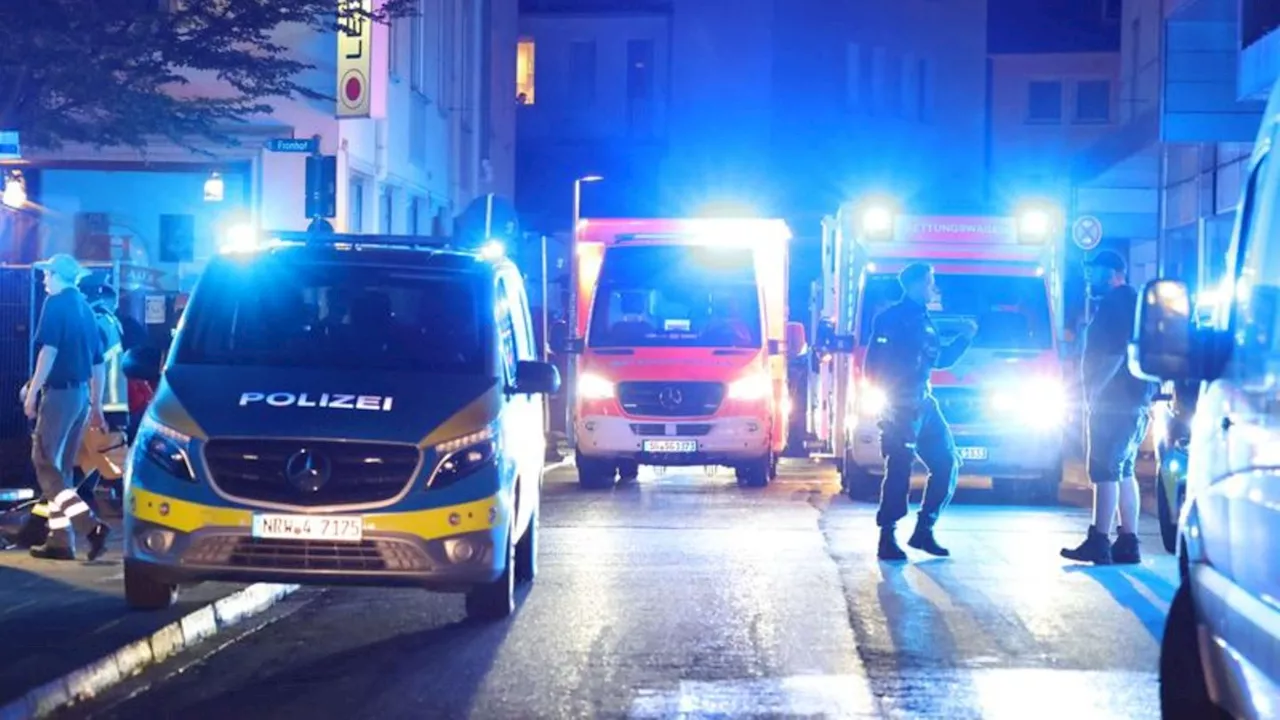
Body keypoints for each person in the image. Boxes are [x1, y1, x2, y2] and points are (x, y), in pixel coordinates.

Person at [863, 263, 977, 560]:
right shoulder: (891, 320)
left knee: (947, 461)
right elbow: (872, 366)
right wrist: (886, 404)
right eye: (929, 282)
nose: (933, 287)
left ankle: (924, 530)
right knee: (899, 468)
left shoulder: (925, 319)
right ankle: (887, 535)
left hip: (924, 403)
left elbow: (939, 359)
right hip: (900, 406)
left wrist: (964, 338)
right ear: (914, 285)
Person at [1062, 249, 1156, 565]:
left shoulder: (1116, 305)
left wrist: (1091, 395)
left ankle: (1099, 541)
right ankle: (1128, 542)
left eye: (1096, 270)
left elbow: (1115, 355)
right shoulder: (1135, 302)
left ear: (1114, 272)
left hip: (1114, 403)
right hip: (1136, 402)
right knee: (1123, 470)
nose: (1090, 275)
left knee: (1103, 470)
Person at [22, 253, 111, 561]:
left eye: (48, 274)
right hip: (81, 397)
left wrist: (32, 393)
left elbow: (48, 351)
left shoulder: (56, 304)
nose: (44, 279)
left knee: (44, 462)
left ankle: (90, 527)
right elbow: (98, 363)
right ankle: (60, 541)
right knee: (61, 471)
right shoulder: (87, 310)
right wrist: (97, 404)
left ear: (59, 276)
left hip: (59, 395)